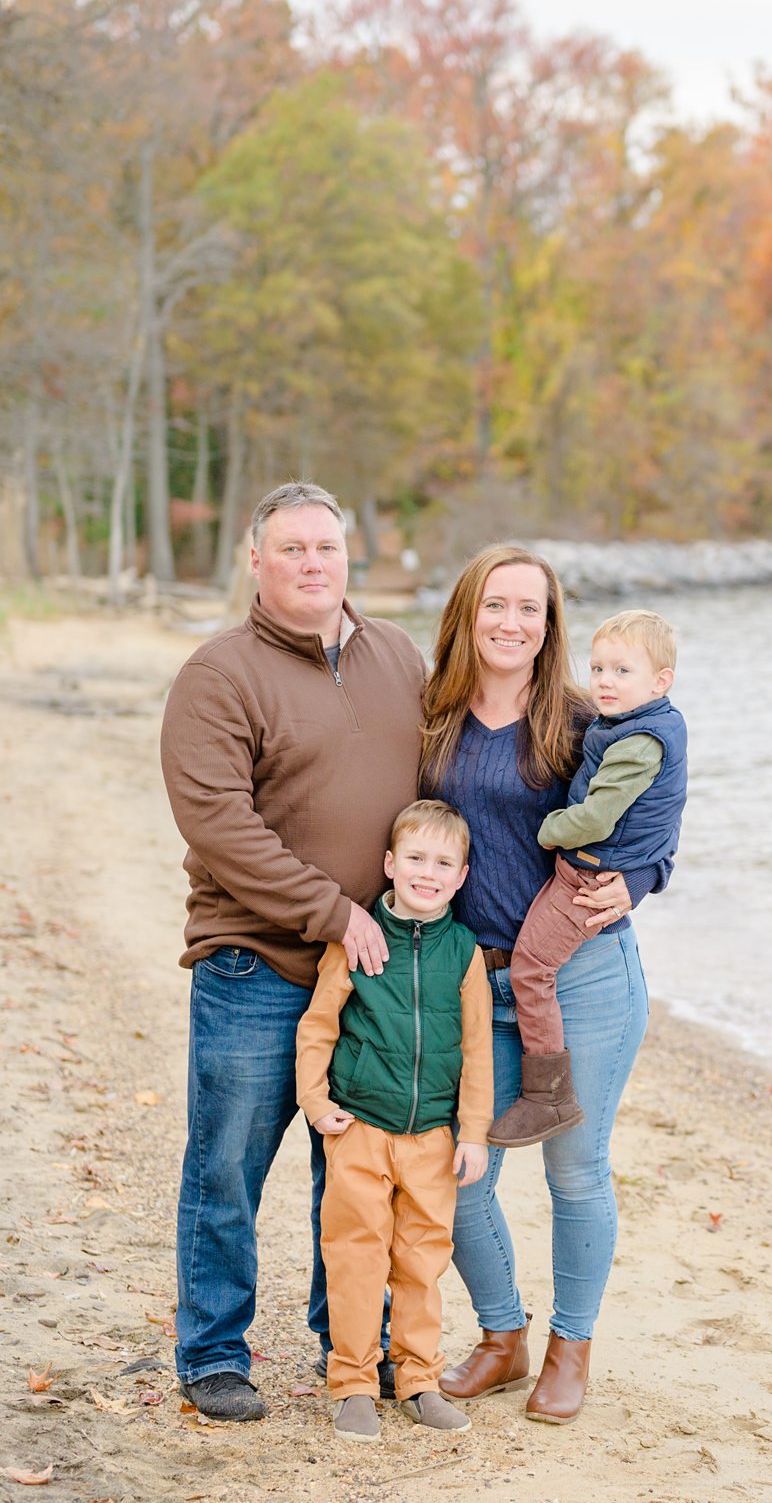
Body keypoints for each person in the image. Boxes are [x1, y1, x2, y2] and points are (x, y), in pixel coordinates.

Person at [158, 481, 425, 1423]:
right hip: (257, 964)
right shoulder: (219, 674)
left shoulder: (396, 654)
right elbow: (220, 824)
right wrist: (331, 910)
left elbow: (451, 783)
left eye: (327, 547)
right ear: (257, 563)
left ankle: (350, 1346)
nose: (313, 564)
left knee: (355, 1175)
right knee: (227, 1165)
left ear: (348, 556)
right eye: (293, 549)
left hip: (373, 973)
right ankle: (213, 1353)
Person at [423, 546, 653, 1425]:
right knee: (461, 1169)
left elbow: (656, 809)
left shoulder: (586, 719)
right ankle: (502, 1335)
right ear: (467, 612)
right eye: (496, 604)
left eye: (532, 608)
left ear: (551, 623)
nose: (513, 622)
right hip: (473, 983)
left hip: (585, 977)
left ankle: (571, 1346)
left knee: (576, 1170)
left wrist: (648, 874)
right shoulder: (432, 717)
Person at [297, 799, 492, 1442]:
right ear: (389, 864)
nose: (427, 873)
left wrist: (474, 1133)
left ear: (462, 876)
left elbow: (476, 1049)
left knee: (421, 1263)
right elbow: (319, 1024)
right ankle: (353, 1382)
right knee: (354, 1257)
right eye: (415, 858)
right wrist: (316, 1102)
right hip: (360, 1131)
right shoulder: (357, 939)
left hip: (433, 1138)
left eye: (443, 863)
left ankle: (418, 1381)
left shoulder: (463, 952)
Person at [485, 610, 687, 1148]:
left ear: (659, 682)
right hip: (571, 878)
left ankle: (548, 1095)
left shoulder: (633, 735)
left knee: (532, 967)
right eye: (598, 668)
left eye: (622, 671)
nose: (604, 681)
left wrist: (640, 875)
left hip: (586, 881)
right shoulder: (613, 721)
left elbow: (646, 818)